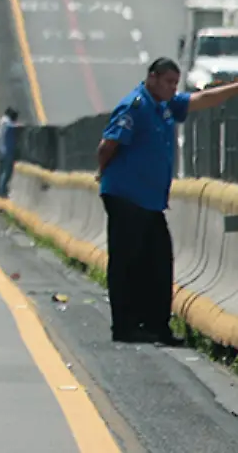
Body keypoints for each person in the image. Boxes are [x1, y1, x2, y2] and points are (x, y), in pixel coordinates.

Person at [98, 58, 238, 344]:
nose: (173, 88)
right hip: (126, 196)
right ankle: (124, 327)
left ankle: (156, 325)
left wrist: (235, 88)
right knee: (126, 263)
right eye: (168, 82)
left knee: (159, 262)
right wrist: (103, 173)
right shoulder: (135, 106)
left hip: (149, 202)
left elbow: (203, 99)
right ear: (152, 78)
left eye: (176, 83)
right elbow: (107, 145)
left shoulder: (165, 105)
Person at [0, 107, 21, 198]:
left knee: (1, 171)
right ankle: (1, 192)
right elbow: (12, 127)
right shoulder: (6, 123)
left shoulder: (2, 122)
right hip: (6, 151)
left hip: (1, 151)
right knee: (6, 172)